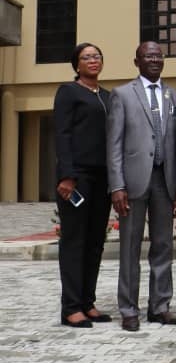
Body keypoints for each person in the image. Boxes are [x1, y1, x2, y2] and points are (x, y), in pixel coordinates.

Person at [107, 42, 176, 331]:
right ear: (137, 61)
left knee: (163, 245)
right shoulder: (122, 94)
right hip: (132, 182)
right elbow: (114, 145)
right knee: (130, 248)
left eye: (158, 56)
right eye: (148, 56)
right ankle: (129, 309)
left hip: (164, 181)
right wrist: (116, 185)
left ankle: (160, 306)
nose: (154, 60)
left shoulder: (173, 96)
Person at [54, 43, 112, 328]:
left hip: (103, 179)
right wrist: (67, 175)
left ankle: (88, 302)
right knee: (75, 242)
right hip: (76, 178)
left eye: (97, 56)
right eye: (87, 57)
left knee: (95, 243)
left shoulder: (107, 96)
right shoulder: (69, 92)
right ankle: (71, 307)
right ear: (77, 65)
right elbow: (62, 135)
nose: (93, 60)